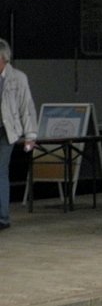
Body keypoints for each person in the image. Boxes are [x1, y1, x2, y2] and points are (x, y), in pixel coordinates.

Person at [0, 38, 38, 231]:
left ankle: (3, 217)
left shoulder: (18, 78)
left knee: (0, 172)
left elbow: (26, 107)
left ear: (4, 59)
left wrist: (30, 135)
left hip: (6, 132)